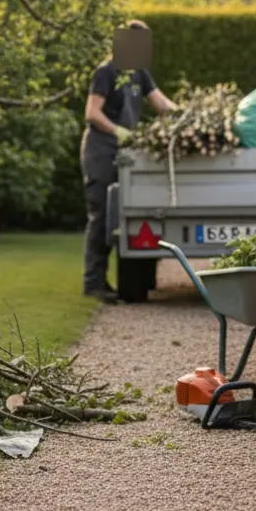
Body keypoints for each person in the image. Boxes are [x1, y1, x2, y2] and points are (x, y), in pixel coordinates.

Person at [81, 20, 177, 303]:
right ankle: (94, 282)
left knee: (125, 216)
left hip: (125, 155)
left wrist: (187, 116)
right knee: (101, 216)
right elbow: (92, 112)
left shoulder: (139, 74)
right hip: (101, 151)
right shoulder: (106, 72)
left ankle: (111, 279)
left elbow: (161, 103)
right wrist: (118, 130)